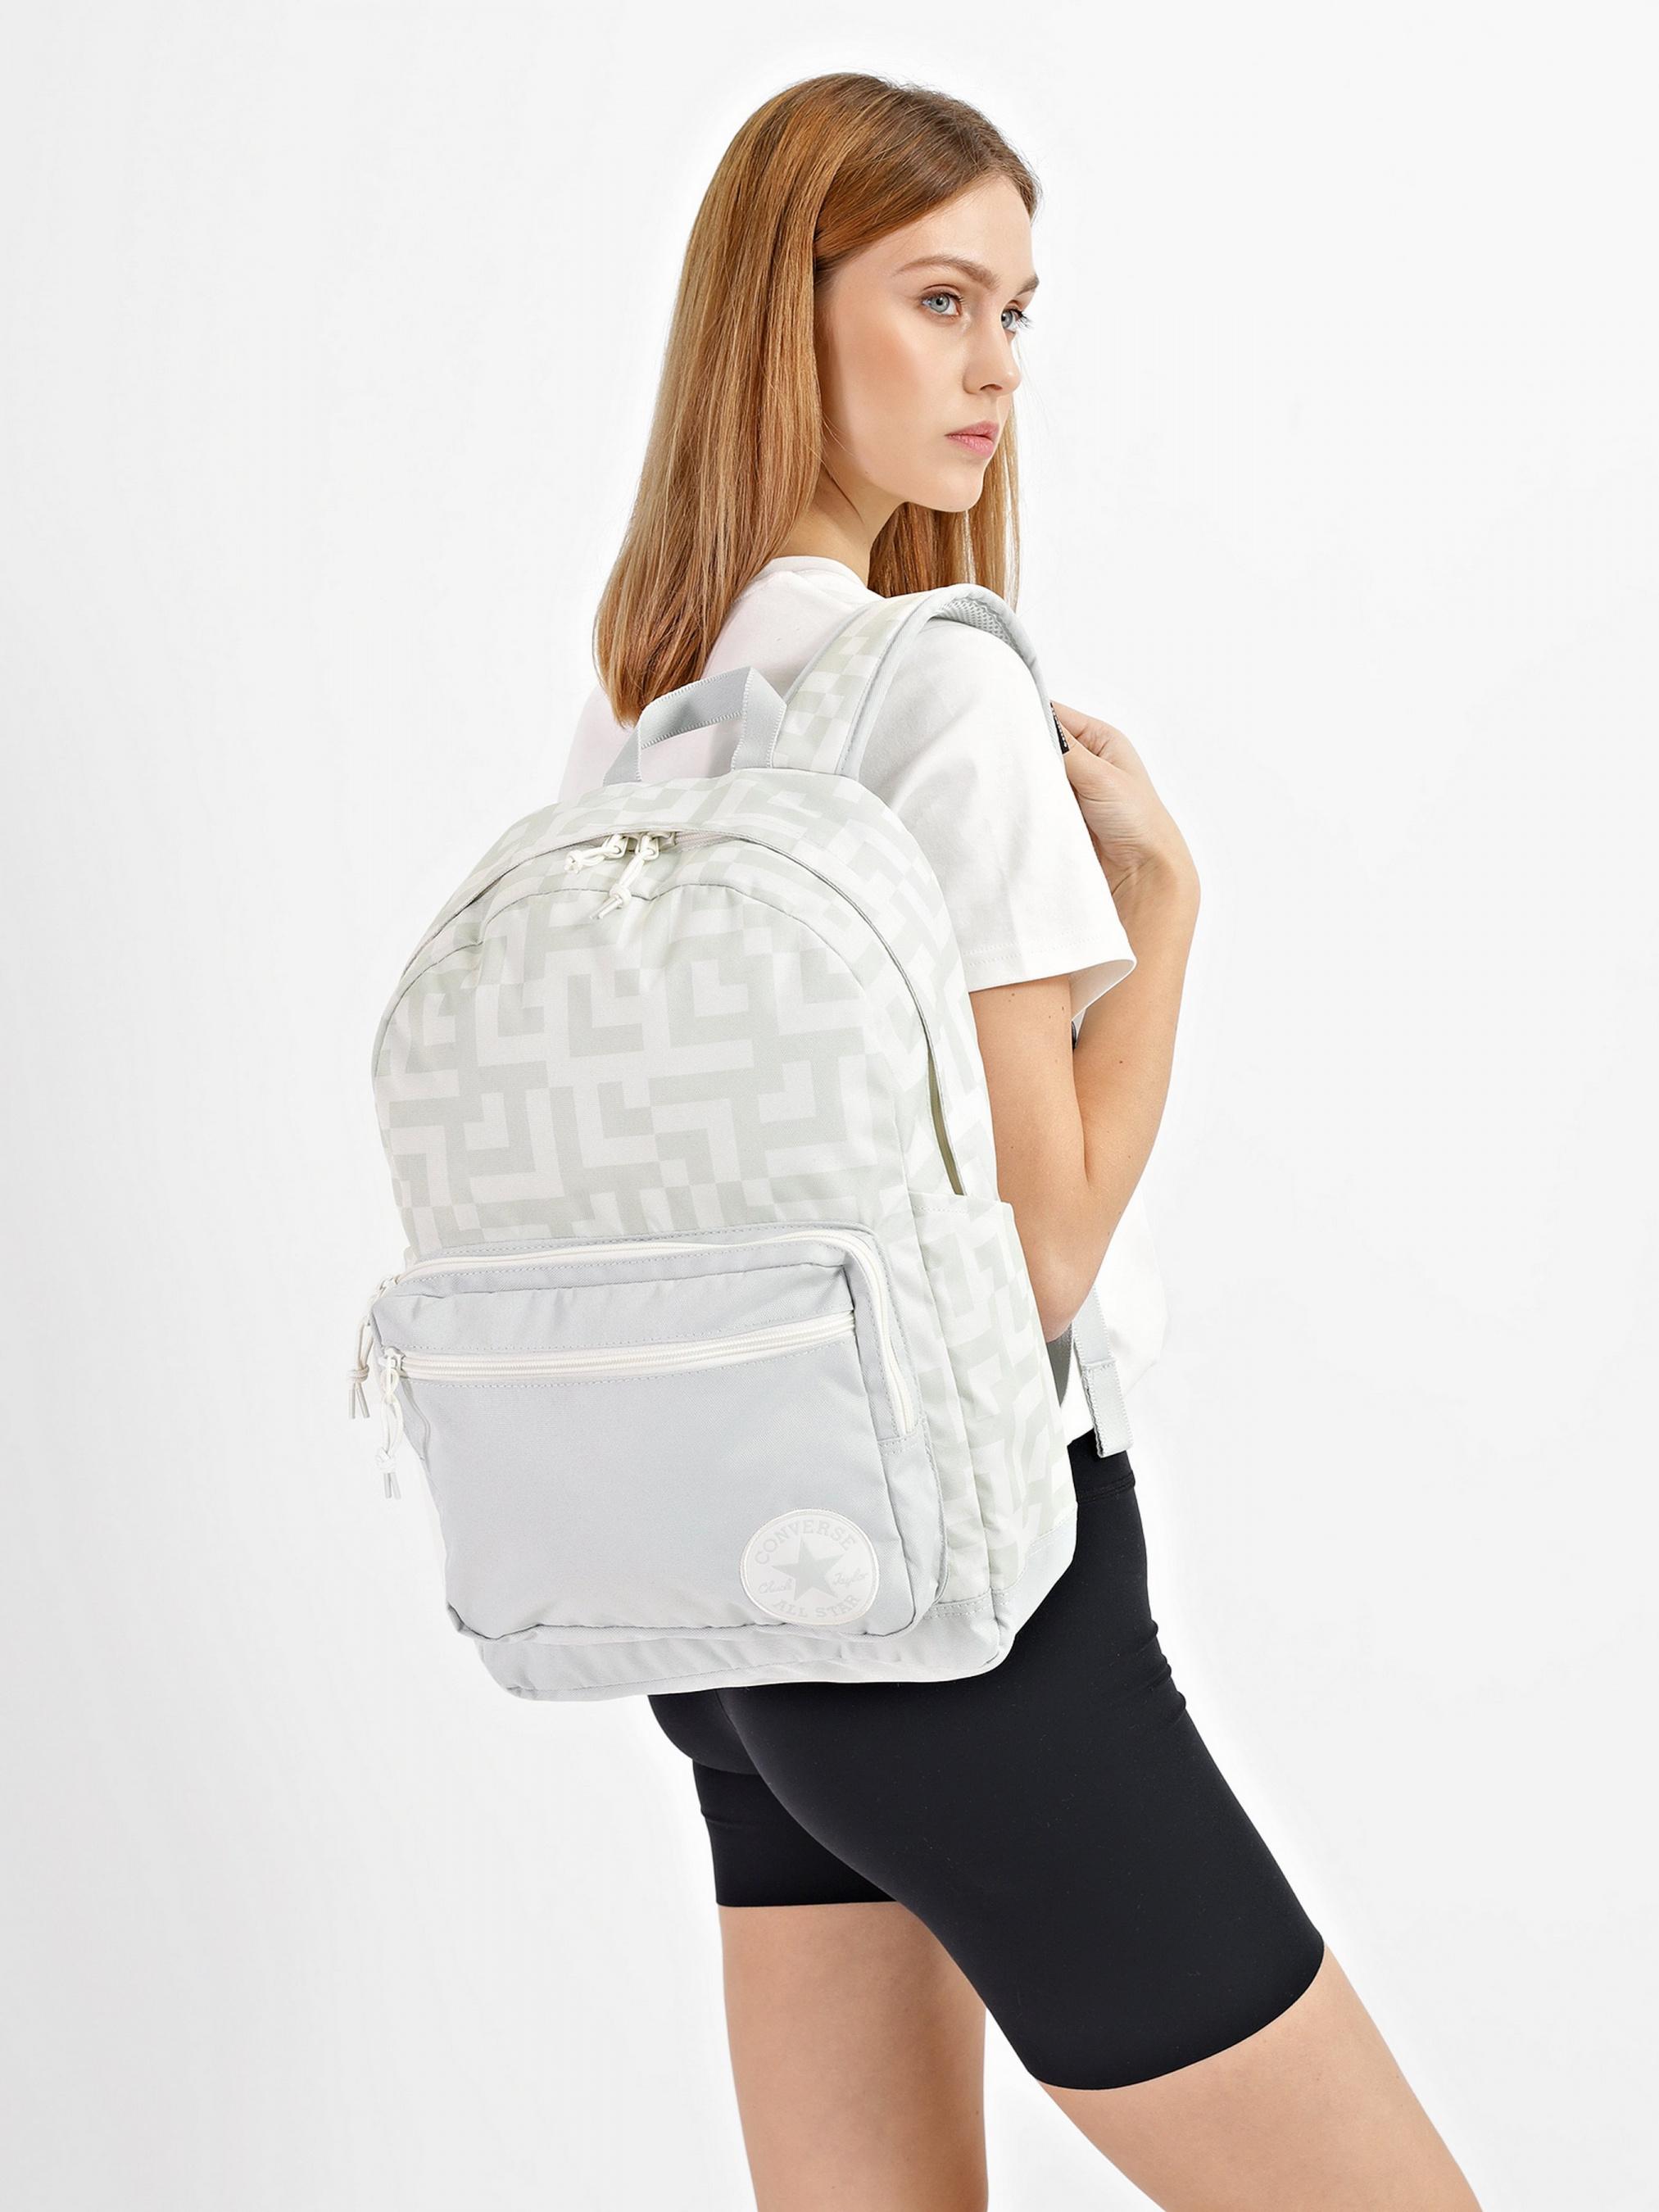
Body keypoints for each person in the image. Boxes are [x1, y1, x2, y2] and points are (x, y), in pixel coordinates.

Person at [561, 71, 1481, 2212]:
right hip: (974, 1610)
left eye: (1016, 311)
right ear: (781, 313)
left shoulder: (647, 711)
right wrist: (1164, 922)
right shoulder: (939, 694)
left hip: (733, 1602)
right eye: (940, 297)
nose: (996, 367)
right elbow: (1033, 1256)